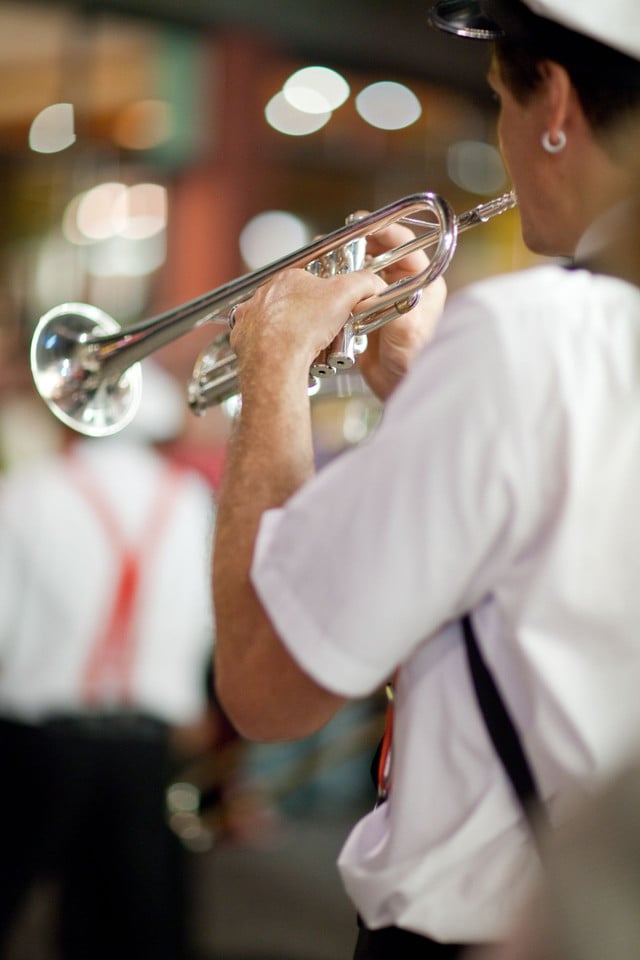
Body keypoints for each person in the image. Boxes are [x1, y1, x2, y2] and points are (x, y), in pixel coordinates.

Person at [211, 1, 640, 957]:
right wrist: (424, 392)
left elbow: (266, 689)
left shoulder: (532, 334)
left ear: (555, 103)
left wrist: (272, 365)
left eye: (499, 96)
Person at [0, 362, 216, 960]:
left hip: (37, 736)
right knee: (134, 922)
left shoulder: (30, 492)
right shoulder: (191, 499)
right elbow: (205, 616)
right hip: (147, 741)